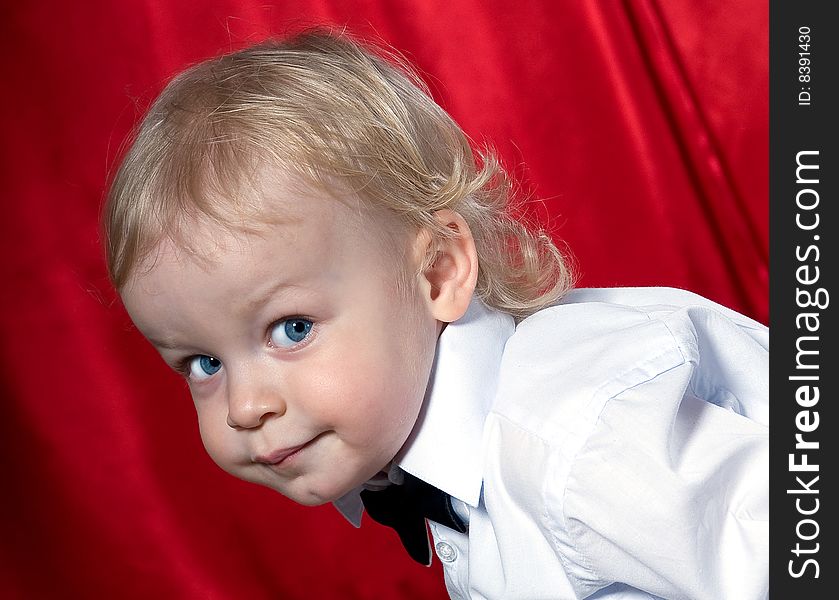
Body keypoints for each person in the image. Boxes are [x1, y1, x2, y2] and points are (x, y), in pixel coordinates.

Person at [105, 29, 768, 600]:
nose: (244, 408)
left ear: (437, 272)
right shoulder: (449, 458)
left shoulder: (573, 445)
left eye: (291, 329)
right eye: (204, 363)